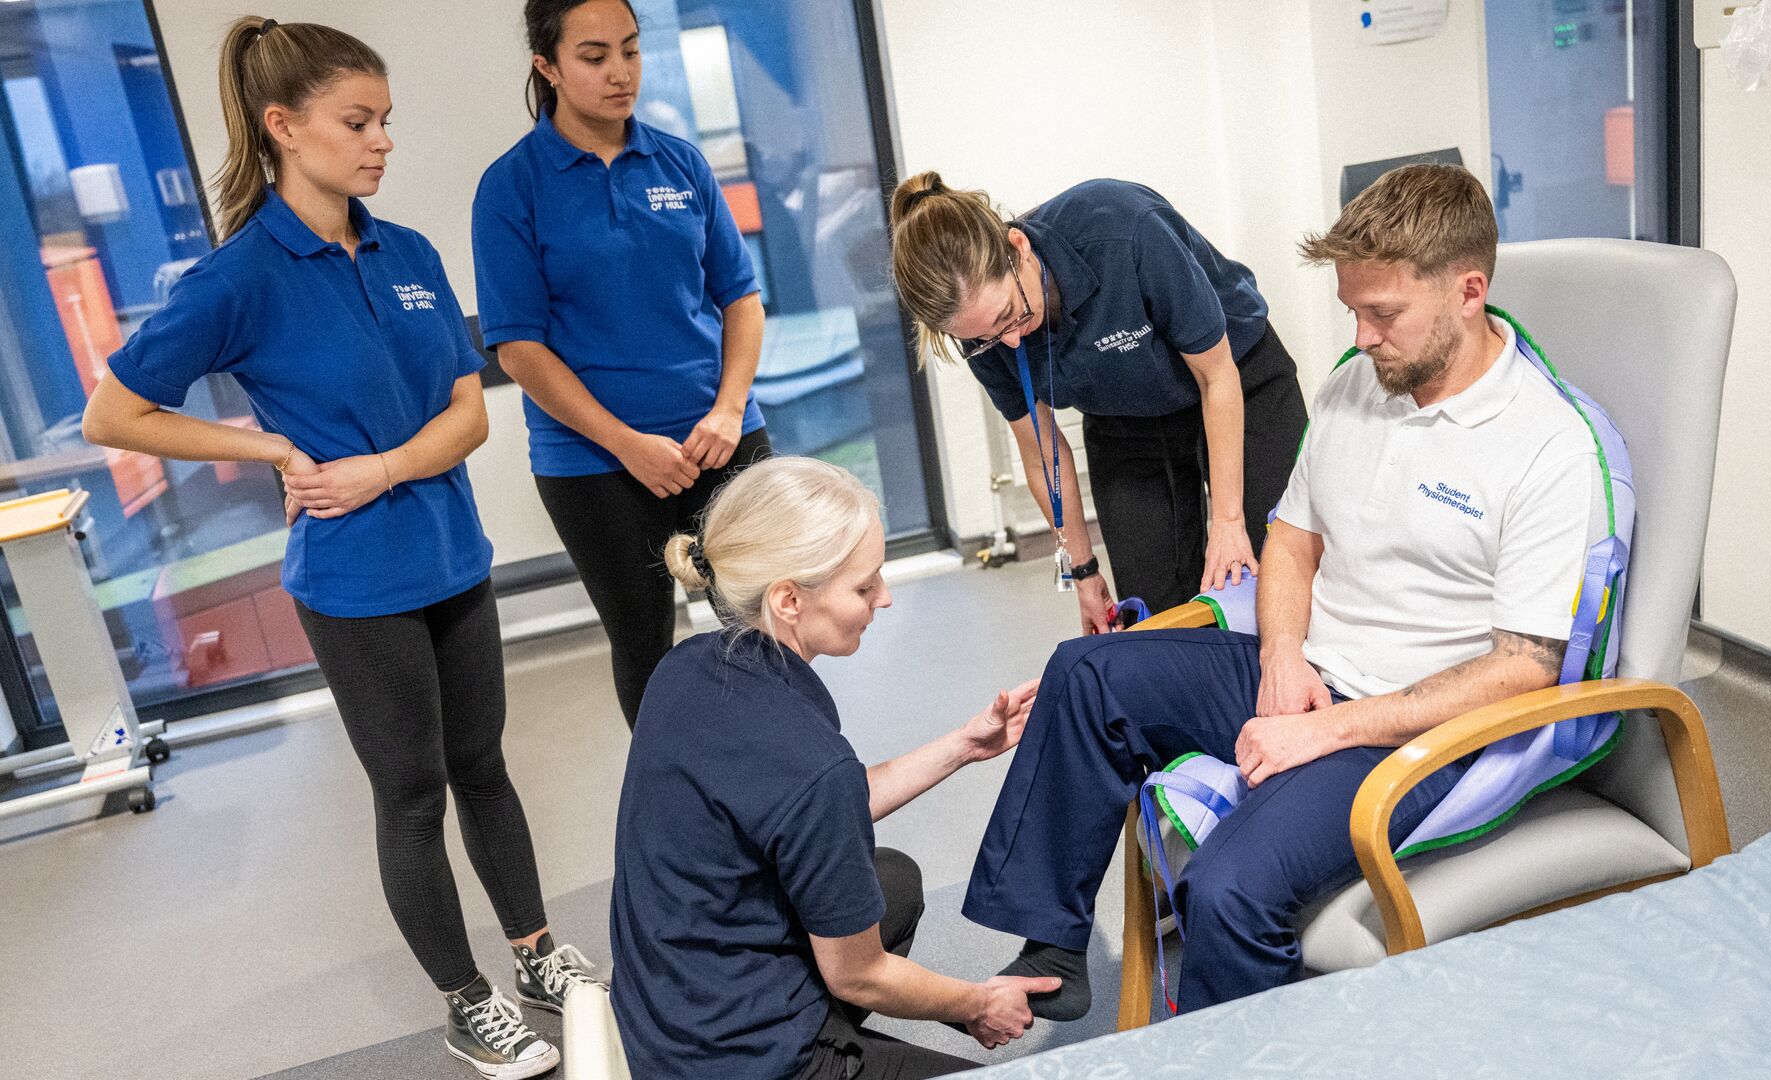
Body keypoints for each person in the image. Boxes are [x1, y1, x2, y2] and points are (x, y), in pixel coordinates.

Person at [960, 164, 1608, 1016]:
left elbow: (1525, 670)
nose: (1362, 335)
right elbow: (1292, 544)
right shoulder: (1357, 385)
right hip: (1306, 676)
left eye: (1384, 314)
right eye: (1352, 311)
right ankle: (1052, 941)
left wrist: (1327, 728)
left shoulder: (1545, 445)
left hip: (1408, 728)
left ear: (1468, 291)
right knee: (1089, 673)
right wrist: (1280, 659)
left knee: (1228, 890)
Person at [81, 18, 599, 1078]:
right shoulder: (239, 278)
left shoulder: (407, 254)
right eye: (358, 122)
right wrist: (265, 444)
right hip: (356, 586)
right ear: (284, 127)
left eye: (386, 122)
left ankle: (537, 955)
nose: (381, 143)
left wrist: (382, 468)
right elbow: (112, 412)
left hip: (454, 554)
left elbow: (469, 412)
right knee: (411, 793)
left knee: (484, 767)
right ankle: (466, 1001)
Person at [610, 457, 1059, 1079]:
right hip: (739, 1062)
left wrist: (964, 744)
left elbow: (802, 814)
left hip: (665, 1012)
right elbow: (862, 974)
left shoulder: (687, 668)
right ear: (789, 599)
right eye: (864, 586)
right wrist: (977, 1004)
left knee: (891, 880)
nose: (886, 597)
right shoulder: (808, 763)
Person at [473, 0, 770, 730]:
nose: (620, 73)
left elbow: (741, 299)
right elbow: (519, 347)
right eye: (595, 56)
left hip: (720, 437)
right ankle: (677, 812)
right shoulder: (511, 187)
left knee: (764, 621)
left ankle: (780, 790)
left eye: (631, 51)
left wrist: (729, 408)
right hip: (596, 464)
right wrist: (625, 444)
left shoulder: (680, 162)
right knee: (647, 647)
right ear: (547, 66)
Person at [888, 173, 1309, 631]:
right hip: (1125, 419)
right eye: (986, 338)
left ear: (1018, 247)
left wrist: (1227, 522)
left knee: (1275, 573)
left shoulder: (1122, 230)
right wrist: (1083, 572)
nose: (1009, 342)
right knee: (1159, 615)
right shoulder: (984, 336)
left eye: (1011, 316)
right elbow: (1041, 453)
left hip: (1238, 381)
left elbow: (1216, 375)